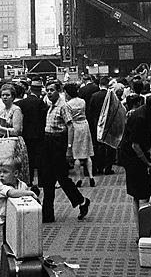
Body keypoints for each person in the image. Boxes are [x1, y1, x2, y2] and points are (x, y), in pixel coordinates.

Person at [38, 80, 90, 224]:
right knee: (48, 179)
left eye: (52, 90)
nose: (49, 93)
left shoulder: (63, 106)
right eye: (47, 90)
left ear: (59, 91)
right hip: (48, 143)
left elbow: (71, 127)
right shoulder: (50, 106)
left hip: (58, 143)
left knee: (61, 177)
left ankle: (81, 201)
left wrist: (68, 148)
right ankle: (48, 214)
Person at [118, 89, 151, 233]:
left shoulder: (147, 114)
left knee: (137, 194)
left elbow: (146, 142)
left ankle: (140, 229)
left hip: (132, 156)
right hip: (133, 158)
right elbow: (135, 145)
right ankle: (144, 230)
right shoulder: (141, 117)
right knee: (143, 195)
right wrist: (148, 163)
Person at [0, 82, 29, 225]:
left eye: (7, 95)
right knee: (3, 180)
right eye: (3, 95)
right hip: (4, 147)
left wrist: (2, 129)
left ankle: (21, 209)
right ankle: (4, 213)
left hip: (15, 147)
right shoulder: (2, 111)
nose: (5, 98)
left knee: (15, 178)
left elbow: (17, 130)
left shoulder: (16, 110)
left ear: (13, 96)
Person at [17, 77, 47, 194]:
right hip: (39, 135)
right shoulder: (40, 102)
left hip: (26, 134)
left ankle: (28, 180)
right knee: (40, 158)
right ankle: (41, 181)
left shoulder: (22, 103)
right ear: (39, 90)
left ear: (30, 89)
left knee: (28, 158)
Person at [64, 82, 95, 187]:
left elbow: (69, 120)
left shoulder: (67, 104)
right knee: (87, 153)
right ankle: (91, 176)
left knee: (76, 155)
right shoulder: (82, 101)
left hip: (75, 127)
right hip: (85, 125)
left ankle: (78, 178)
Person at [87, 77, 115, 175]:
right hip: (109, 123)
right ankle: (108, 168)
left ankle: (99, 167)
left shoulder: (94, 96)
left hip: (97, 124)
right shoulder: (111, 95)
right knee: (110, 145)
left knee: (99, 146)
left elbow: (90, 111)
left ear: (99, 85)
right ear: (108, 84)